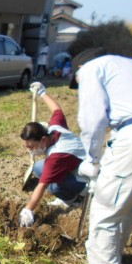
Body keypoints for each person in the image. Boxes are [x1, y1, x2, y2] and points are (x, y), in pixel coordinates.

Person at [70, 48, 132, 264]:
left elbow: (93, 118)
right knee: (130, 206)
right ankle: (113, 257)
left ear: (78, 70)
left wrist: (92, 159)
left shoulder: (91, 69)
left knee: (106, 208)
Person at [18, 82, 87, 228]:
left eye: (31, 146)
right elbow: (57, 109)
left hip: (88, 180)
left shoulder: (56, 156)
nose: (29, 150)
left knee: (53, 187)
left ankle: (76, 200)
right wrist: (43, 92)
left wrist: (28, 209)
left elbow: (42, 186)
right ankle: (72, 194)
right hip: (74, 165)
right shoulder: (54, 128)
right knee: (38, 167)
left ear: (43, 140)